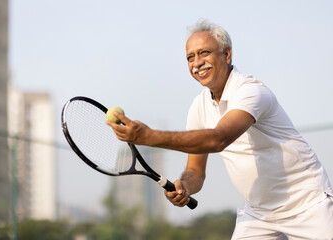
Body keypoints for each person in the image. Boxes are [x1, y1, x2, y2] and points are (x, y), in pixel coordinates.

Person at [106, 19, 333, 239]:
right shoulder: (198, 107)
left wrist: (149, 137)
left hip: (309, 206)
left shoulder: (251, 91)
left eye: (204, 53)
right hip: (258, 215)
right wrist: (185, 185)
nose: (197, 63)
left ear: (226, 54)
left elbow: (219, 139)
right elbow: (195, 171)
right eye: (190, 57)